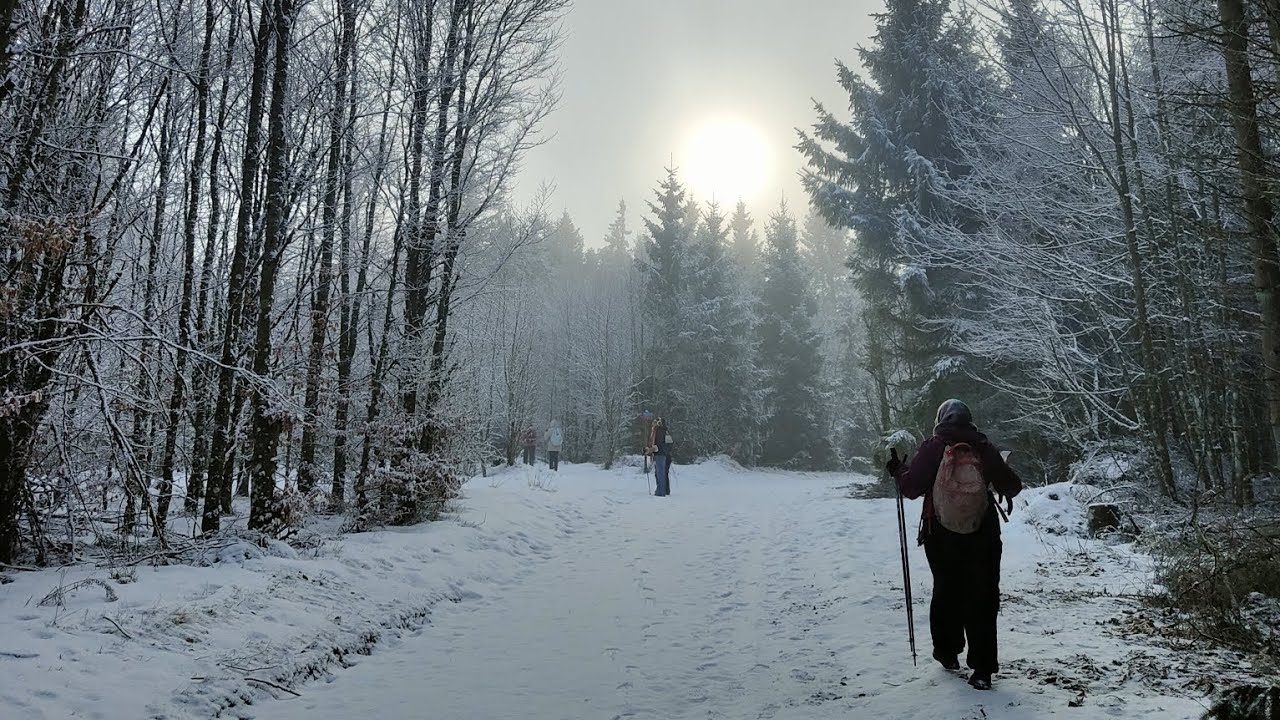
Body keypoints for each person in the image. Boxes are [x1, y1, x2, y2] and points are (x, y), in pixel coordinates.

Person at [888, 399, 1022, 691]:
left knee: (947, 590)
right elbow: (1011, 487)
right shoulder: (983, 447)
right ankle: (983, 669)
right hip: (982, 534)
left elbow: (911, 488)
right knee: (983, 596)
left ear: (941, 418)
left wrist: (898, 471)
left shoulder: (934, 446)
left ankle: (948, 653)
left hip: (941, 534)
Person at [648, 416, 674, 496]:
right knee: (662, 473)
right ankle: (665, 490)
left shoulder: (659, 431)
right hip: (663, 454)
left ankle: (661, 491)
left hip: (660, 454)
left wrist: (654, 449)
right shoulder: (664, 431)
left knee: (660, 473)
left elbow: (659, 444)